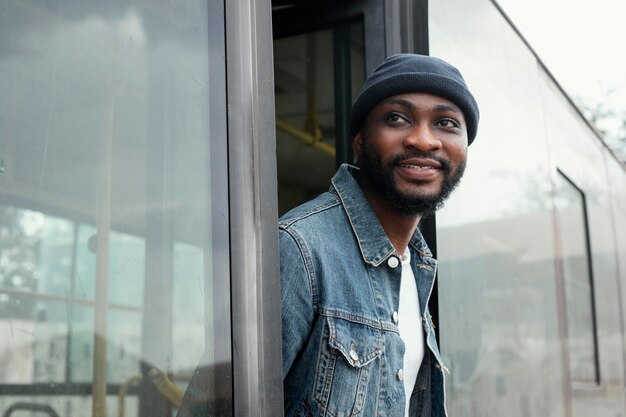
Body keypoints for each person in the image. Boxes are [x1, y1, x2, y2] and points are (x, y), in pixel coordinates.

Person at [279, 54, 480, 417]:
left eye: (446, 123)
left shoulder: (417, 265)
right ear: (360, 140)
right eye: (396, 118)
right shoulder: (300, 248)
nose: (423, 140)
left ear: (465, 147)